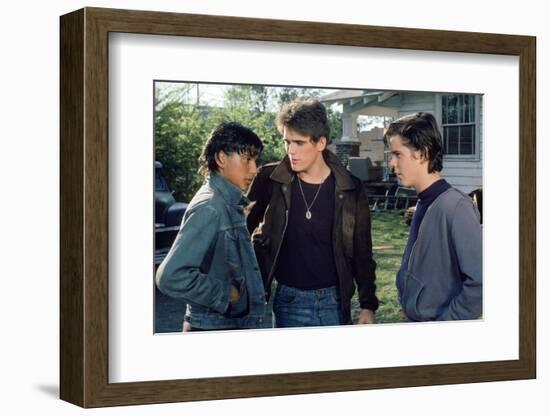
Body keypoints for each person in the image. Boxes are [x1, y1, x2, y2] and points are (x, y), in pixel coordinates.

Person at [247, 99, 378, 328]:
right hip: (289, 300)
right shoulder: (270, 180)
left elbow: (362, 251)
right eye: (287, 142)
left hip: (335, 303)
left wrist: (367, 305)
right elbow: (241, 233)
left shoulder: (350, 188)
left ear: (321, 142)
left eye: (299, 142)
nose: (291, 151)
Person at [156, 122, 266, 331]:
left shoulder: (226, 201)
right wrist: (228, 295)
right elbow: (170, 276)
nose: (254, 169)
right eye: (247, 159)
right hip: (214, 329)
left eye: (255, 160)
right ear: (221, 158)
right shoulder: (210, 206)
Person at [384, 112, 482, 321]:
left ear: (422, 153)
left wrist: (443, 327)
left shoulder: (455, 207)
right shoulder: (424, 201)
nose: (391, 163)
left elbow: (480, 282)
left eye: (397, 154)